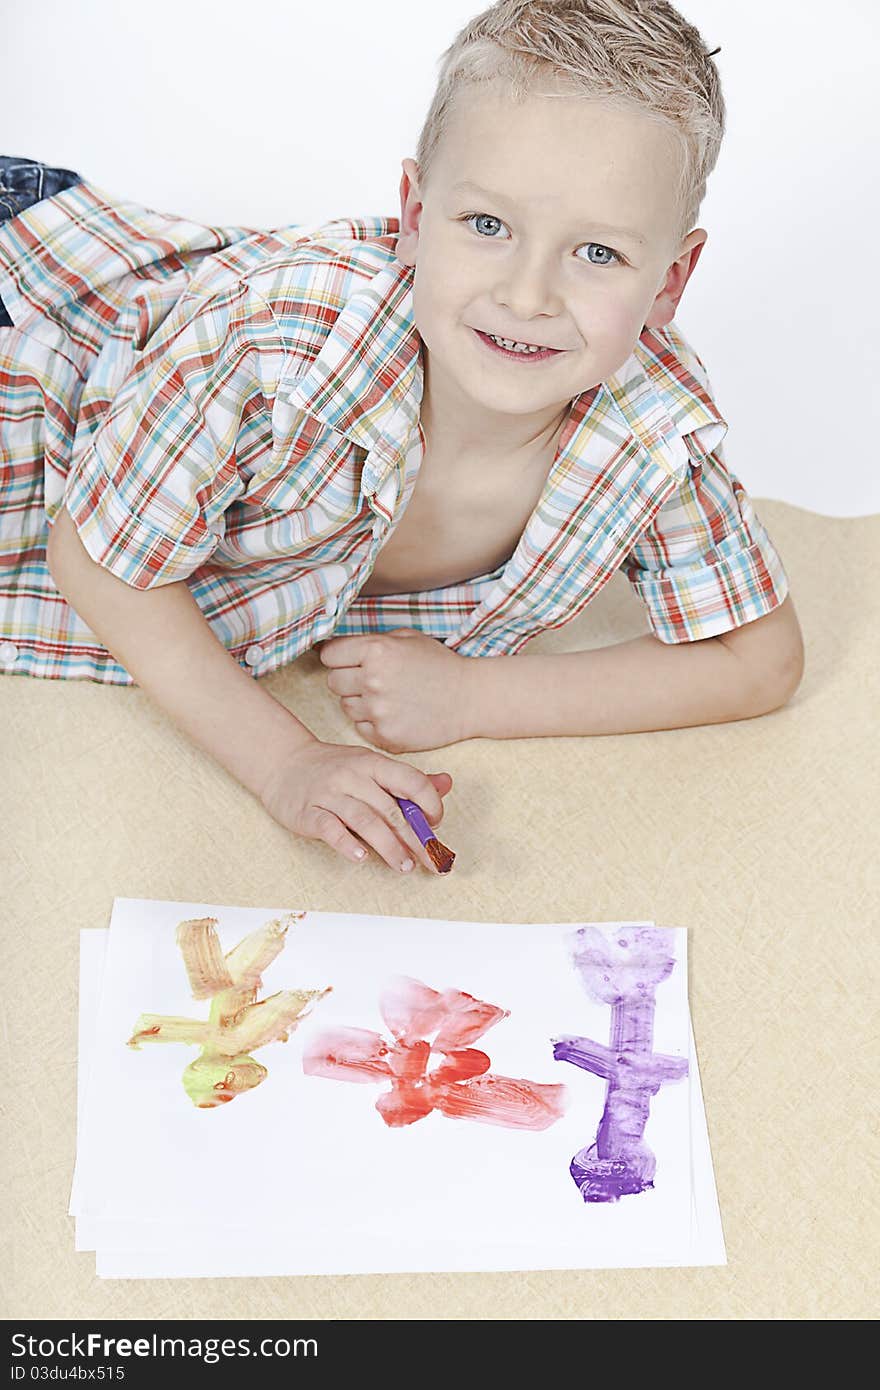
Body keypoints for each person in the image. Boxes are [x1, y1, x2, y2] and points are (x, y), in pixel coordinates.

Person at [0, 0, 803, 876]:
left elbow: (759, 663)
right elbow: (96, 555)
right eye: (488, 227)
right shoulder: (281, 346)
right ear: (416, 214)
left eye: (598, 254)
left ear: (669, 281)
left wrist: (476, 694)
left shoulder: (651, 431)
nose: (528, 295)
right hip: (39, 348)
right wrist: (287, 762)